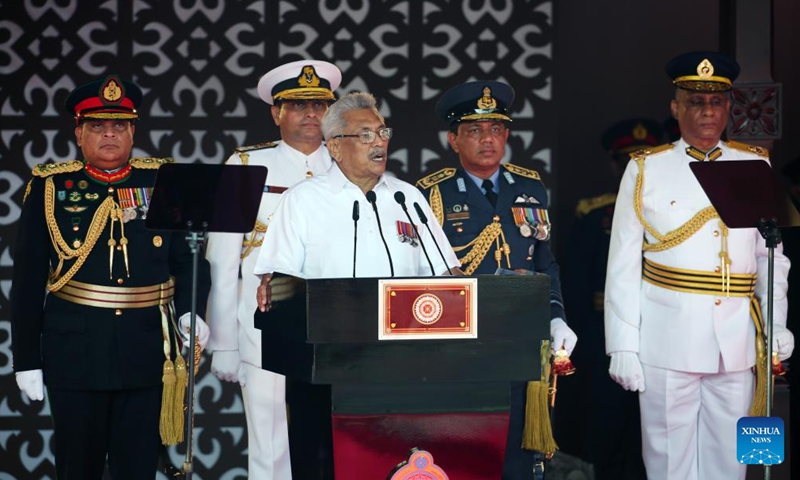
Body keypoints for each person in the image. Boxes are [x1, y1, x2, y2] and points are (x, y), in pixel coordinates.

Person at [604, 51, 795, 480]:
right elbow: (621, 267)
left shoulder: (754, 163)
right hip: (666, 339)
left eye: (716, 103)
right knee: (670, 461)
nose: (707, 112)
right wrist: (623, 345)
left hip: (737, 340)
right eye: (694, 102)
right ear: (675, 108)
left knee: (731, 461)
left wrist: (776, 322)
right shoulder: (646, 168)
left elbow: (771, 258)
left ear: (728, 107)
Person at [10, 75, 211, 480]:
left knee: (137, 469)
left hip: (147, 350)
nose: (109, 135)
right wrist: (27, 360)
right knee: (76, 468)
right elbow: (28, 280)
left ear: (133, 131)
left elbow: (189, 261)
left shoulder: (162, 181)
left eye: (119, 126)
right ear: (79, 133)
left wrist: (192, 311)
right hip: (76, 353)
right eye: (97, 126)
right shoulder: (52, 187)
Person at [253, 91, 461, 477]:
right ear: (334, 147)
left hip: (405, 368)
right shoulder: (304, 201)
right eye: (365, 135)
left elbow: (448, 277)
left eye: (382, 132)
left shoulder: (407, 198)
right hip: (325, 370)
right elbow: (278, 287)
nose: (379, 142)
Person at [415, 80, 577, 480]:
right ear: (453, 139)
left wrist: (556, 316)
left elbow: (545, 263)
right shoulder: (431, 194)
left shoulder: (529, 186)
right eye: (474, 131)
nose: (487, 139)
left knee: (518, 452)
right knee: (464, 446)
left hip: (521, 338)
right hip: (461, 342)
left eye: (496, 130)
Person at [205, 59, 341, 479]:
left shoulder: (347, 165)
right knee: (270, 443)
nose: (312, 115)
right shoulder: (246, 165)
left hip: (334, 326)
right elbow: (224, 258)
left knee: (333, 442)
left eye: (320, 105)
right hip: (260, 324)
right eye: (299, 105)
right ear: (276, 112)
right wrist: (224, 341)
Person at [557, 119, 661, 480]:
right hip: (604, 331)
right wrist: (581, 341)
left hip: (663, 329)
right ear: (616, 165)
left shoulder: (673, 211)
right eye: (627, 161)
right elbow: (576, 282)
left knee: (659, 425)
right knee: (607, 420)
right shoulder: (597, 212)